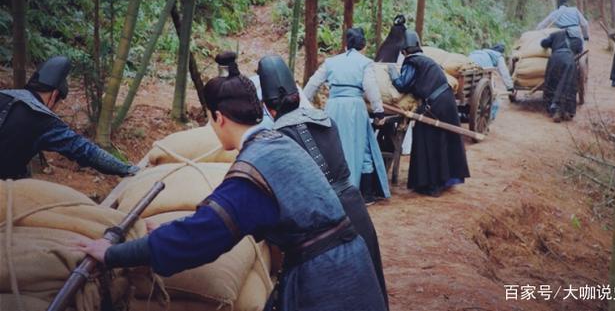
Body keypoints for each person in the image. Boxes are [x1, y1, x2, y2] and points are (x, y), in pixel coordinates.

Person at [75, 52, 386, 311]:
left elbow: (202, 236)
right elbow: (220, 216)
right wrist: (176, 228)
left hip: (328, 283)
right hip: (351, 264)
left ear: (219, 117)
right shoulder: (277, 143)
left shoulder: (254, 168)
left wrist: (112, 254)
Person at [257, 54, 388, 308]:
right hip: (356, 213)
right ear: (297, 94)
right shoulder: (327, 121)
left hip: (323, 229)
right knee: (368, 293)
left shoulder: (276, 141)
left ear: (267, 107)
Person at [0, 56, 138, 179]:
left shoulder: (3, 94)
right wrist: (127, 169)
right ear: (54, 96)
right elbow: (87, 152)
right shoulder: (43, 119)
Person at [303, 27, 391, 202]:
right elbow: (371, 87)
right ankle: (365, 195)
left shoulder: (331, 62)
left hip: (334, 106)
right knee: (363, 147)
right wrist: (379, 110)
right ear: (363, 45)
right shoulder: (365, 62)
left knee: (333, 146)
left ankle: (334, 191)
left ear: (345, 45)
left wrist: (303, 103)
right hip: (355, 108)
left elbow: (313, 83)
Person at [388, 30, 470, 197]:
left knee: (428, 139)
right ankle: (444, 180)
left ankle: (431, 185)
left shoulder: (412, 61)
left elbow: (402, 85)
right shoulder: (427, 60)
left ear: (404, 50)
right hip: (446, 100)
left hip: (435, 104)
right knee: (444, 139)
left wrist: (392, 73)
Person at [540, 29, 578, 122]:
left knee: (553, 83)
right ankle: (567, 111)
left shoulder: (555, 34)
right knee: (569, 85)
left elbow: (543, 43)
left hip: (556, 58)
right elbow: (579, 49)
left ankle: (555, 110)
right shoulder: (576, 37)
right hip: (569, 60)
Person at [469, 43, 513, 120]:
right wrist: (510, 87)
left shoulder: (479, 52)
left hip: (468, 73)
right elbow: (504, 73)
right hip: (482, 73)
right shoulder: (498, 56)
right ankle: (489, 118)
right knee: (494, 98)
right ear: (501, 52)